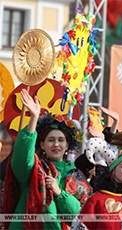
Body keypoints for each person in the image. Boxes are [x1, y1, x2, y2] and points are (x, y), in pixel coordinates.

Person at [2, 89, 92, 229]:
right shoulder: (33, 169)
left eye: (61, 140)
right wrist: (34, 118)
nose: (56, 144)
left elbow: (82, 217)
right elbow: (22, 158)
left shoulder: (77, 176)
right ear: (42, 145)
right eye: (51, 140)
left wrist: (59, 193)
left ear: (67, 145)